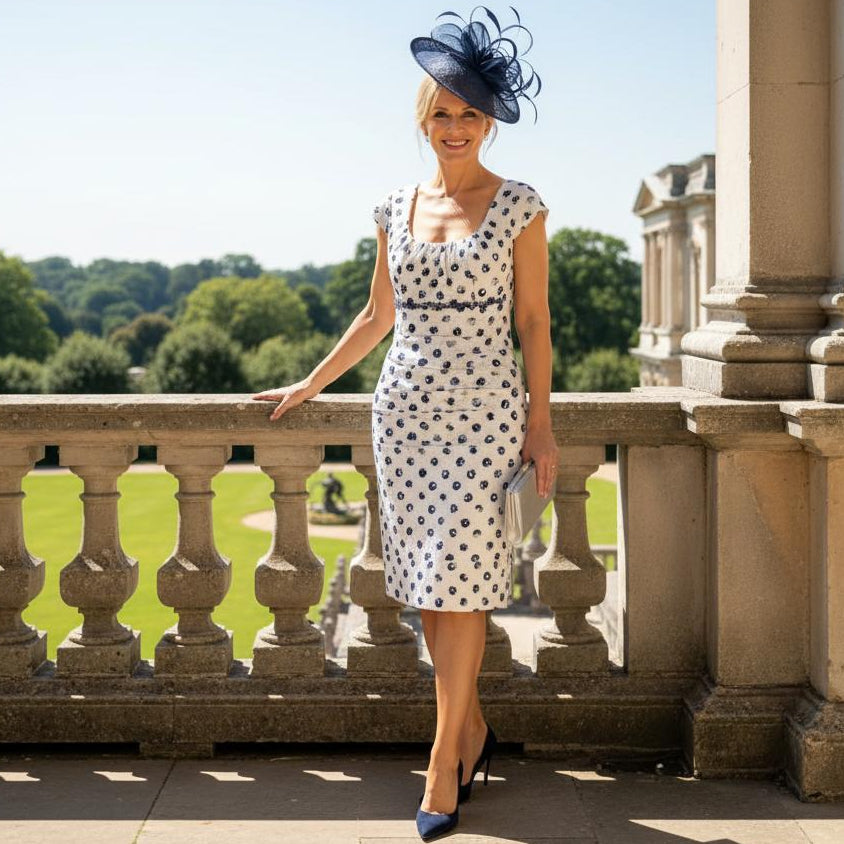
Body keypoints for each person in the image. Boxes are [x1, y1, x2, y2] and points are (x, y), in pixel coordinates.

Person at [253, 6, 557, 840]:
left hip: (489, 417)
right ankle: (473, 730)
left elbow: (534, 322)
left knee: (463, 587)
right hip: (407, 416)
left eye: (468, 113)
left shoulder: (521, 205)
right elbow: (376, 314)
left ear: (488, 121)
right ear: (423, 119)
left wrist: (544, 426)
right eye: (441, 112)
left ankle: (441, 761)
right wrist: (310, 383)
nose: (454, 127)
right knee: (431, 590)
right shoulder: (393, 206)